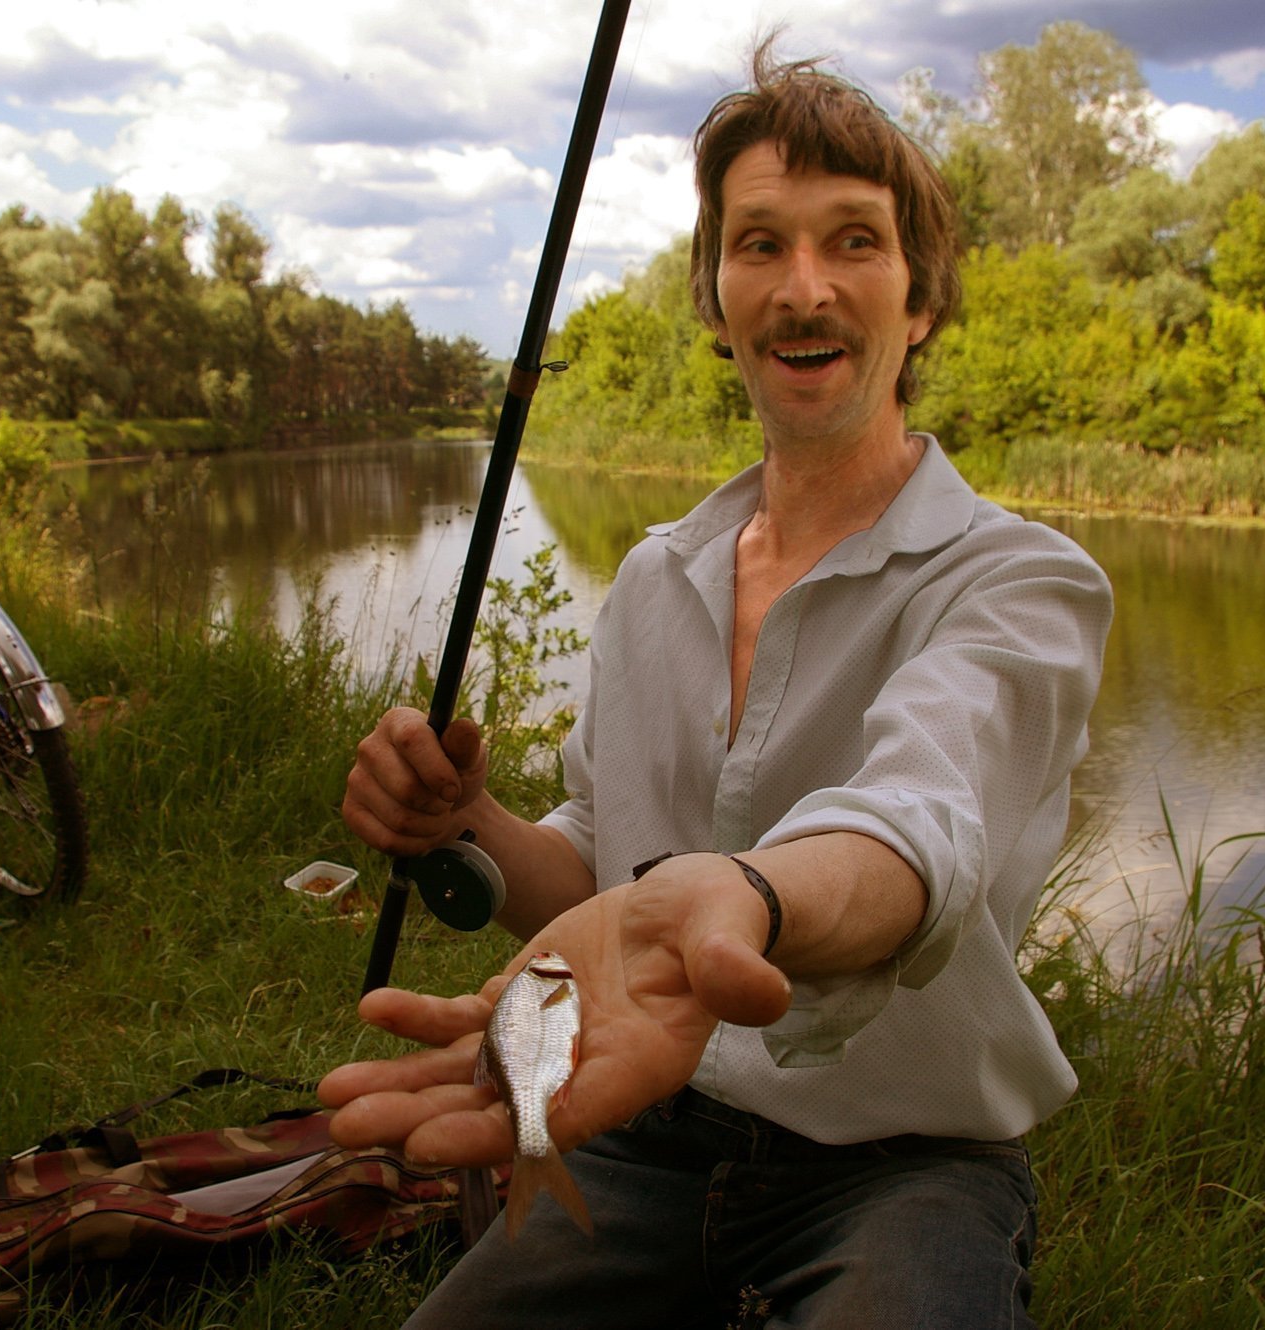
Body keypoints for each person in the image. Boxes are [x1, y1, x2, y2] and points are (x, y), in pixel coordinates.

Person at [317, 37, 1115, 1330]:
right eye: (759, 244)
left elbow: (920, 818)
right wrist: (468, 822)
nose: (805, 287)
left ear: (920, 301)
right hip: (645, 1128)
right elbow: (602, 859)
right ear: (716, 297)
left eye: (854, 241)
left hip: (906, 1164)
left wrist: (745, 894)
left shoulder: (1024, 583)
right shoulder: (653, 576)